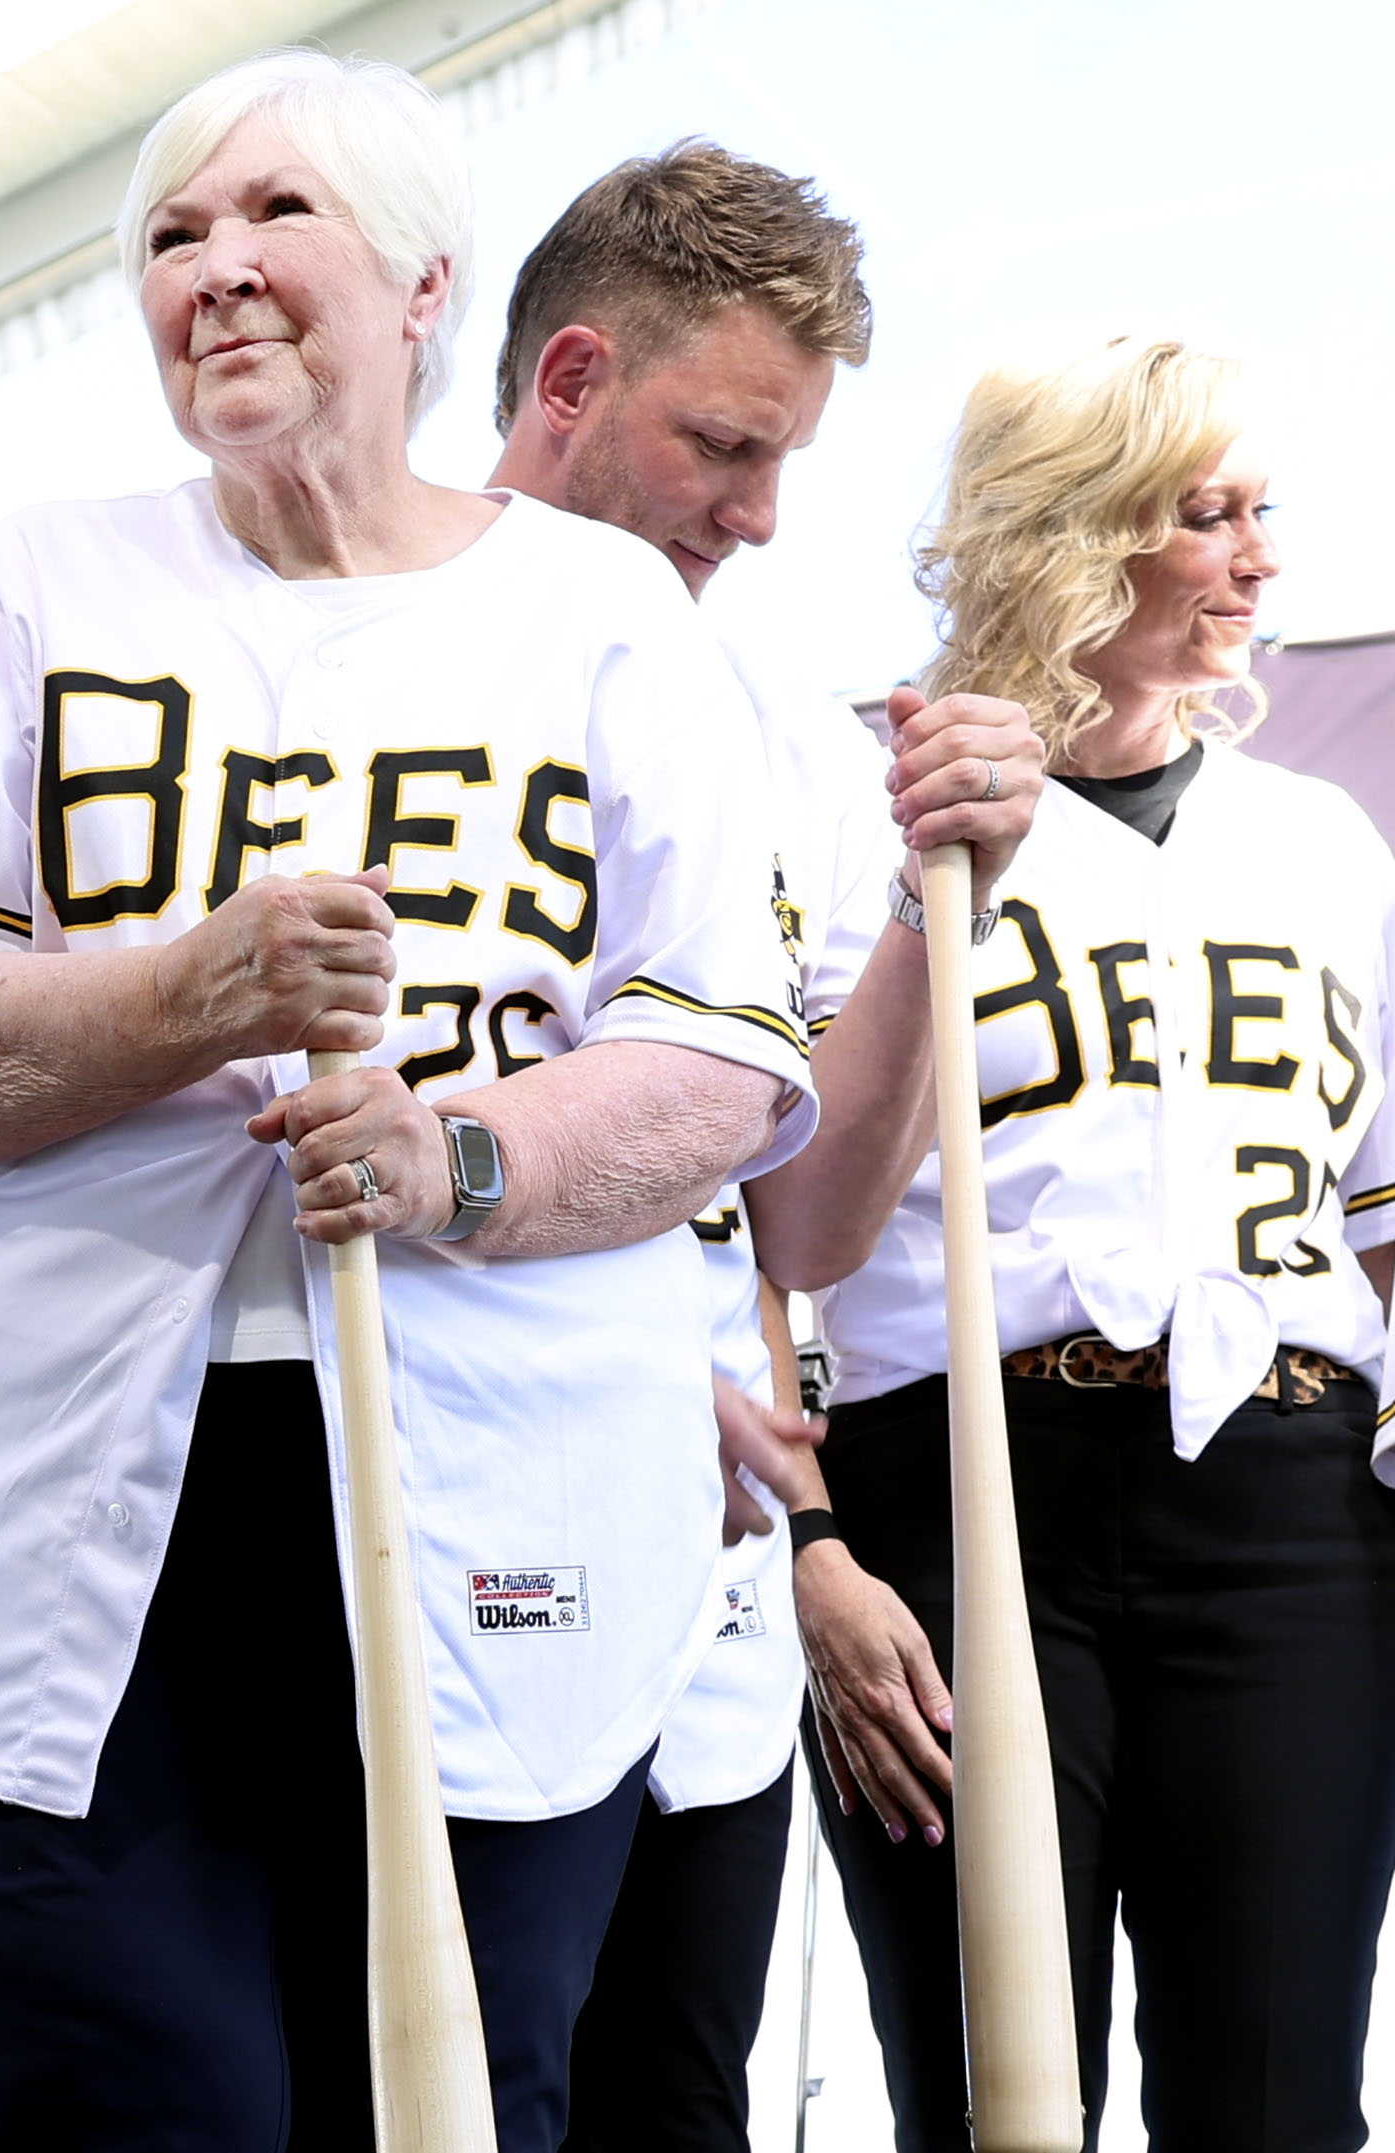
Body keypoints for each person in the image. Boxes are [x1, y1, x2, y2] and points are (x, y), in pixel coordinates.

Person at [0, 52, 817, 2153]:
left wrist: (468, 1157)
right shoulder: (35, 583)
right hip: (90, 1478)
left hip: (501, 1471)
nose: (216, 270)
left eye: (276, 219)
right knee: (101, 2095)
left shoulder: (601, 615)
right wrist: (192, 996)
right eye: (171, 235)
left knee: (450, 2099)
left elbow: (720, 1060)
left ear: (428, 285)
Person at [477, 143, 1044, 2149]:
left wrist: (926, 889)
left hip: (697, 1619)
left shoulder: (788, 737)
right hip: (444, 1555)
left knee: (676, 2100)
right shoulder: (365, 661)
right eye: (720, 442)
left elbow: (801, 1213)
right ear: (562, 381)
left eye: (787, 456)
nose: (761, 513)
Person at [802, 338, 1395, 2152]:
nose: (1260, 558)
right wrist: (930, 885)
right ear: (1077, 538)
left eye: (1260, 512)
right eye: (1209, 515)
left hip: (1291, 1498)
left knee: (1283, 2101)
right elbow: (806, 1220)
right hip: (972, 1496)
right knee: (1000, 2102)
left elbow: (1381, 1212)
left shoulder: (1320, 837)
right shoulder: (858, 802)